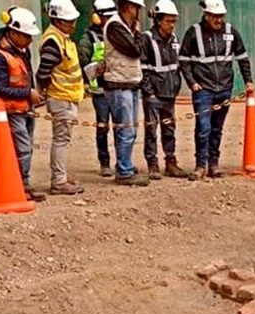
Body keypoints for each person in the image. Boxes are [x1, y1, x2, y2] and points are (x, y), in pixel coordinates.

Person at [179, 0, 253, 179]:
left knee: (217, 129)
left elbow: (242, 58)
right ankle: (200, 166)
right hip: (203, 90)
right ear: (206, 15)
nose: (219, 20)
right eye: (215, 16)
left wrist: (248, 81)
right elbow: (183, 58)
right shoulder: (194, 32)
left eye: (221, 16)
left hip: (224, 89)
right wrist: (191, 82)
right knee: (203, 128)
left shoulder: (231, 32)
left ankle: (214, 164)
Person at [0, 7, 45, 201]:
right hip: (11, 110)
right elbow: (0, 88)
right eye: (26, 36)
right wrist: (28, 93)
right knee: (22, 148)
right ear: (13, 33)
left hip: (24, 108)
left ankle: (23, 183)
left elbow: (26, 76)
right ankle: (21, 185)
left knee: (25, 147)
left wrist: (32, 95)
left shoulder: (20, 50)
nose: (30, 40)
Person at [37, 0, 86, 195]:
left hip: (68, 96)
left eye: (73, 20)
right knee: (61, 139)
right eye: (69, 21)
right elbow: (43, 73)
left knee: (63, 139)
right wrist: (47, 91)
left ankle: (61, 175)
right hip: (60, 97)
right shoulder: (53, 41)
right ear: (56, 20)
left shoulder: (62, 37)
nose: (73, 24)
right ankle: (58, 181)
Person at [104, 0, 148, 186]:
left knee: (130, 129)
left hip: (128, 83)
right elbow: (136, 50)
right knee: (126, 129)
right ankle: (124, 170)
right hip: (118, 83)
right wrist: (138, 33)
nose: (138, 12)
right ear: (129, 7)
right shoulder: (115, 26)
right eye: (137, 8)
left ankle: (125, 163)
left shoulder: (124, 27)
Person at [141, 0, 187, 180]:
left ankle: (171, 162)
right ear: (159, 21)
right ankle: (152, 164)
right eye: (169, 21)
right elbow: (143, 69)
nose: (172, 25)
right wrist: (148, 92)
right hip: (153, 94)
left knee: (169, 129)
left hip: (169, 94)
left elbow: (177, 65)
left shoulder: (174, 40)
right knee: (151, 130)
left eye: (174, 21)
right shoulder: (147, 39)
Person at [78, 0, 117, 178]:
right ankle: (105, 162)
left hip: (117, 87)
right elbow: (83, 60)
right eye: (106, 16)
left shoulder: (118, 32)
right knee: (102, 127)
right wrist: (96, 68)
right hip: (100, 90)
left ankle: (122, 162)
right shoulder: (89, 37)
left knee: (120, 127)